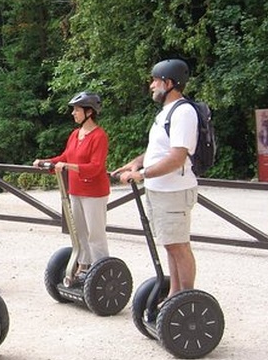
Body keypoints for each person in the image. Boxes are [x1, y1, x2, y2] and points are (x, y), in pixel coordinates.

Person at [114, 59, 199, 300]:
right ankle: (175, 293)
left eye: (155, 80)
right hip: (160, 189)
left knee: (179, 245)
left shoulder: (183, 112)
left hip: (174, 191)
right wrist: (137, 163)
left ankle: (187, 299)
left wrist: (141, 175)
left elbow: (177, 157)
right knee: (170, 245)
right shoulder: (166, 113)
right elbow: (158, 150)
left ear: (170, 83)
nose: (151, 85)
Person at [33, 91, 110, 282]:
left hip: (94, 192)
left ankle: (101, 271)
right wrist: (46, 161)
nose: (73, 113)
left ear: (89, 112)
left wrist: (68, 167)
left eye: (76, 110)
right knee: (80, 233)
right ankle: (83, 265)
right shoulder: (75, 134)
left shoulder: (99, 136)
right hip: (75, 190)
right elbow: (65, 157)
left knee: (95, 233)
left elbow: (95, 167)